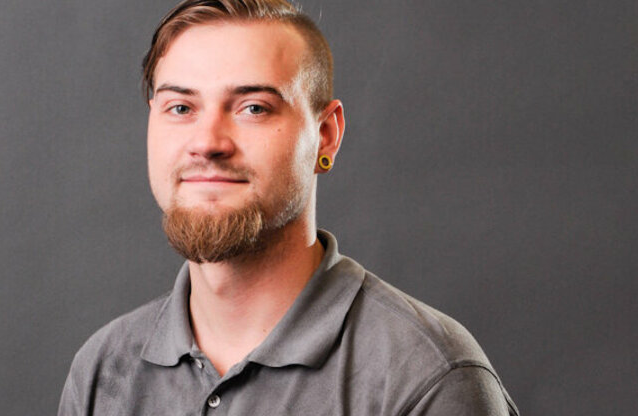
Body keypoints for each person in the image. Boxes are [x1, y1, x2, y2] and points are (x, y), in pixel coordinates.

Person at [58, 0, 520, 414]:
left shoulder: (425, 377)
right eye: (181, 108)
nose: (207, 142)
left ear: (326, 135)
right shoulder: (103, 370)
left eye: (253, 108)